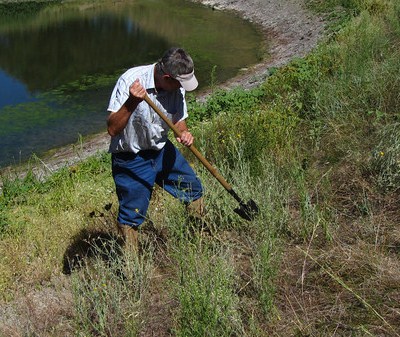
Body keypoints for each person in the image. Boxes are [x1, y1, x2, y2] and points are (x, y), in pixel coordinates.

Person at [106, 47, 204, 252]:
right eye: (179, 83)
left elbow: (179, 119)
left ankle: (200, 242)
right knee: (131, 215)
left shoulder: (177, 88)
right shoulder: (130, 80)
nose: (181, 88)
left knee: (193, 189)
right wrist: (132, 101)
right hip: (131, 157)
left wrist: (183, 133)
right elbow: (112, 129)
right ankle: (133, 270)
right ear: (166, 77)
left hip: (160, 149)